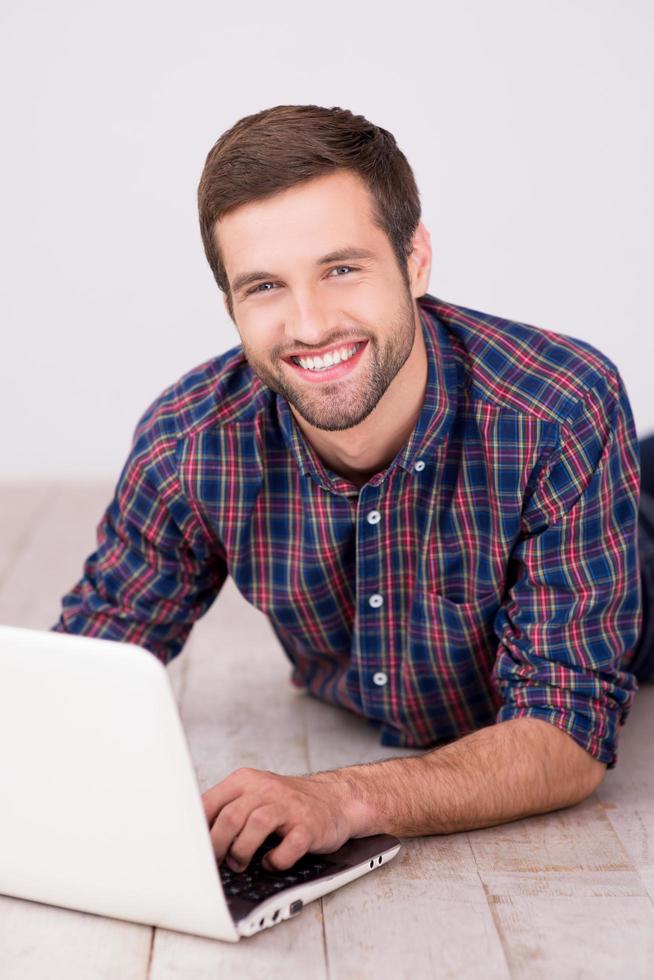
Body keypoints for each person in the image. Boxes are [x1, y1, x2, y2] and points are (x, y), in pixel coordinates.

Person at [52, 104, 654, 876]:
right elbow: (85, 662)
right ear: (230, 304)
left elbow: (567, 740)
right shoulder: (188, 442)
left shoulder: (558, 409)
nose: (309, 324)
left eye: (342, 268)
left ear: (417, 260)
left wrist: (342, 798)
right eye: (265, 285)